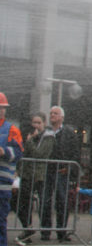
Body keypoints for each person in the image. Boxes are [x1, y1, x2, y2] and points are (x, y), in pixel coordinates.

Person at [41, 105, 80, 242]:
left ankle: (61, 231)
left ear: (62, 117)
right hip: (46, 170)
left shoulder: (69, 133)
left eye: (55, 113)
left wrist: (69, 168)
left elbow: (75, 152)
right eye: (51, 113)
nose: (52, 115)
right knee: (45, 201)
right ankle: (45, 231)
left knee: (62, 201)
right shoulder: (45, 132)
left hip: (61, 171)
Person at [16, 112, 54, 244]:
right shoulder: (30, 135)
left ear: (44, 123)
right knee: (22, 202)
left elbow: (39, 154)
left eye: (39, 123)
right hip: (26, 173)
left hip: (39, 175)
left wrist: (30, 141)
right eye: (34, 123)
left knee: (44, 204)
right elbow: (23, 153)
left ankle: (46, 232)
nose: (36, 126)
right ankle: (28, 228)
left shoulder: (48, 137)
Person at [0, 92, 22, 246]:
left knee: (0, 218)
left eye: (3, 107)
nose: (1, 110)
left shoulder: (11, 129)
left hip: (2, 183)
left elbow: (19, 151)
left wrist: (5, 152)